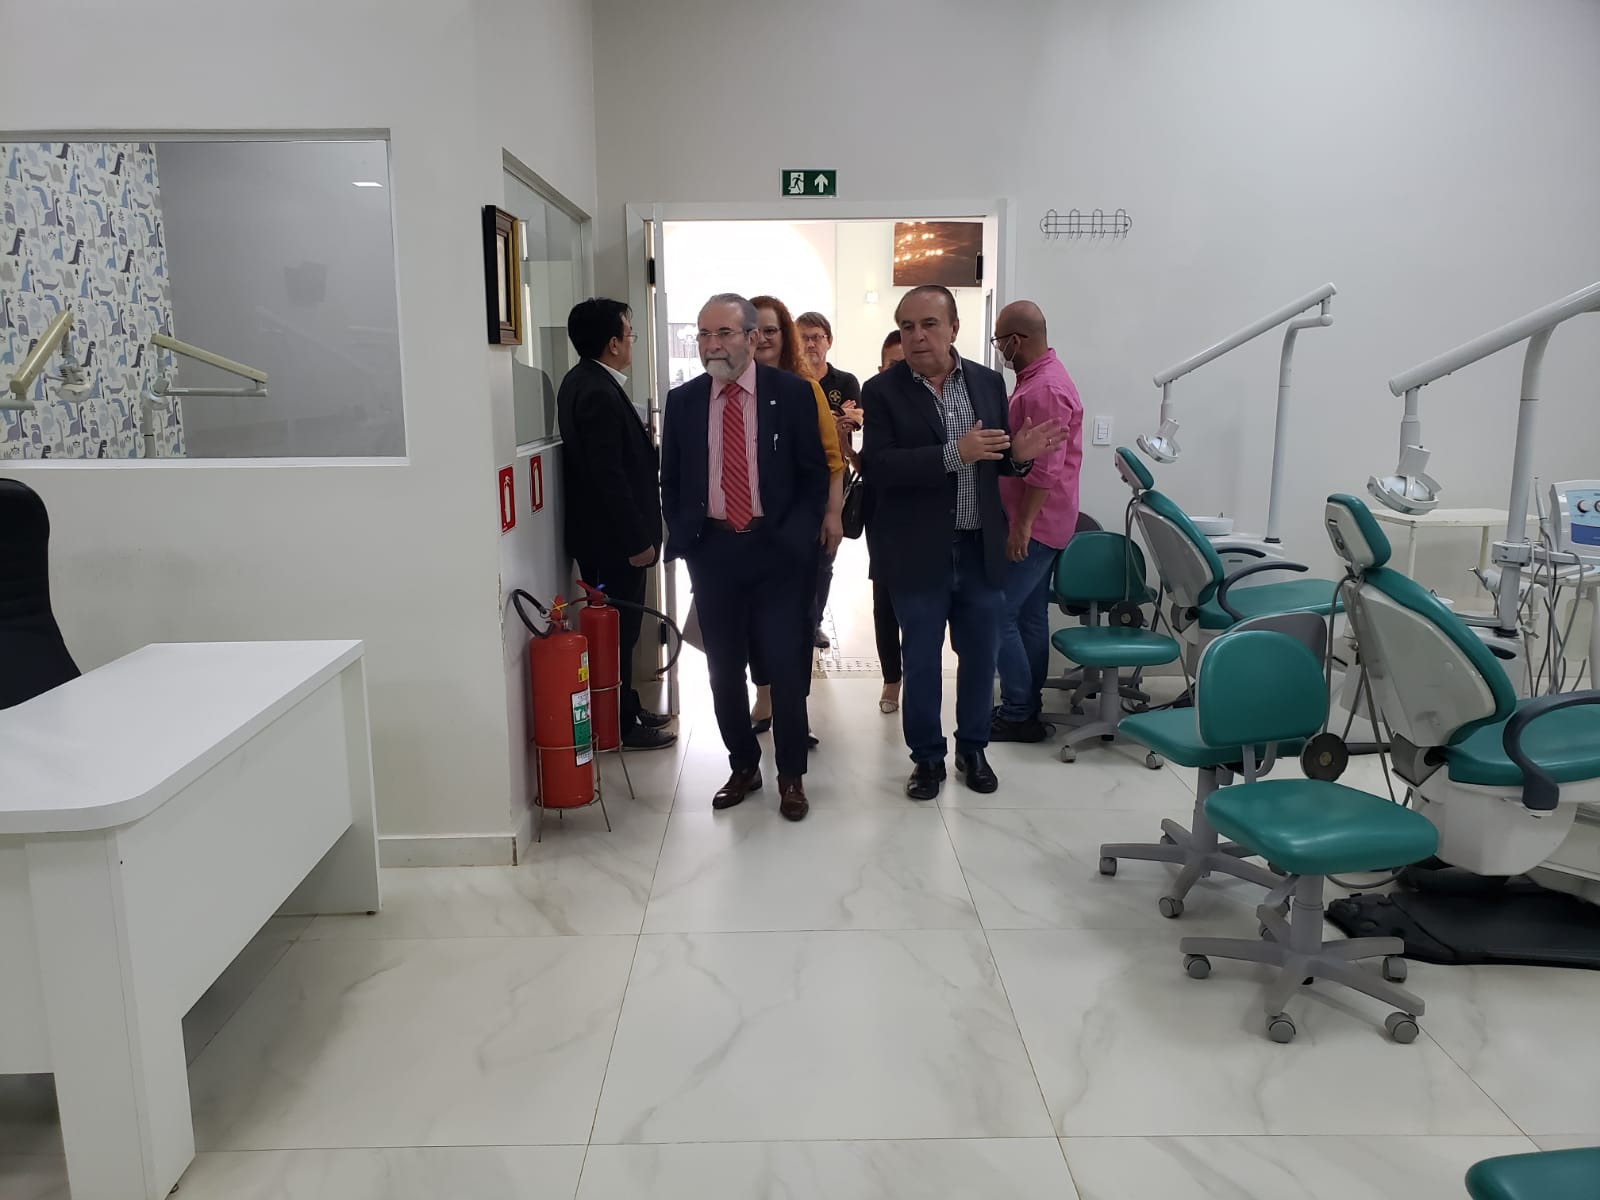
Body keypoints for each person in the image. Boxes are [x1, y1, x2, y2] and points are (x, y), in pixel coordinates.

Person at [860, 286, 1063, 801]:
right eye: (907, 327)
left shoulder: (987, 382)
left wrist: (1018, 457)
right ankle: (927, 758)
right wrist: (956, 453)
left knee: (979, 657)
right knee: (921, 661)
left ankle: (973, 749)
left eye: (929, 324)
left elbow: (996, 459)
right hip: (917, 551)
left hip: (979, 549)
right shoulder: (881, 392)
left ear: (953, 327)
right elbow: (880, 467)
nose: (917, 336)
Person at [660, 294, 828, 821]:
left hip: (777, 552)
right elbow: (672, 478)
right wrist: (687, 538)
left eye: (724, 333)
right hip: (713, 552)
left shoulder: (792, 394)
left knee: (785, 666)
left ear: (753, 338)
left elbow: (813, 475)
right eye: (703, 334)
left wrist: (796, 540)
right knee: (723, 670)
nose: (711, 345)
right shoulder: (684, 401)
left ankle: (792, 775)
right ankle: (744, 765)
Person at [555, 297, 675, 750]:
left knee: (622, 631)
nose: (631, 343)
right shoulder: (597, 392)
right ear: (613, 343)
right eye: (630, 334)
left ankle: (627, 706)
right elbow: (608, 477)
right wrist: (636, 540)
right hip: (612, 541)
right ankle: (620, 725)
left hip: (605, 538)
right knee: (619, 632)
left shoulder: (586, 382)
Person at [746, 295, 845, 740]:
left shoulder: (807, 389)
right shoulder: (729, 388)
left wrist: (832, 515)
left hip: (799, 529)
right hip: (746, 531)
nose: (764, 338)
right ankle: (764, 693)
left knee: (798, 621)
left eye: (772, 330)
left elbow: (832, 460)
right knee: (753, 619)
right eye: (756, 330)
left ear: (785, 335)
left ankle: (793, 708)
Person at [991, 300, 1084, 742]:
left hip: (1037, 523)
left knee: (996, 614)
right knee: (1029, 616)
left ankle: (1018, 711)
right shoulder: (1039, 379)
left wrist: (1022, 525)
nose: (999, 350)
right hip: (1048, 520)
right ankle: (1026, 706)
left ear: (1016, 340)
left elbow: (1044, 470)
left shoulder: (1043, 389)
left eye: (1000, 342)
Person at [845, 330, 906, 715]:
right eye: (893, 364)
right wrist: (846, 448)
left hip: (924, 518)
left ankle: (917, 674)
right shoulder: (876, 400)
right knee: (884, 599)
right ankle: (891, 679)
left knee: (919, 603)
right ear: (881, 368)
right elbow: (868, 464)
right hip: (882, 514)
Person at [796, 311, 859, 649]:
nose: (810, 344)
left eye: (817, 337)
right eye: (804, 337)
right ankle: (794, 620)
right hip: (795, 481)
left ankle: (814, 623)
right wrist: (832, 421)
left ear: (829, 341)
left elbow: (855, 420)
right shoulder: (790, 380)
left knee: (824, 558)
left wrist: (837, 422)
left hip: (835, 479)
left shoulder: (844, 381)